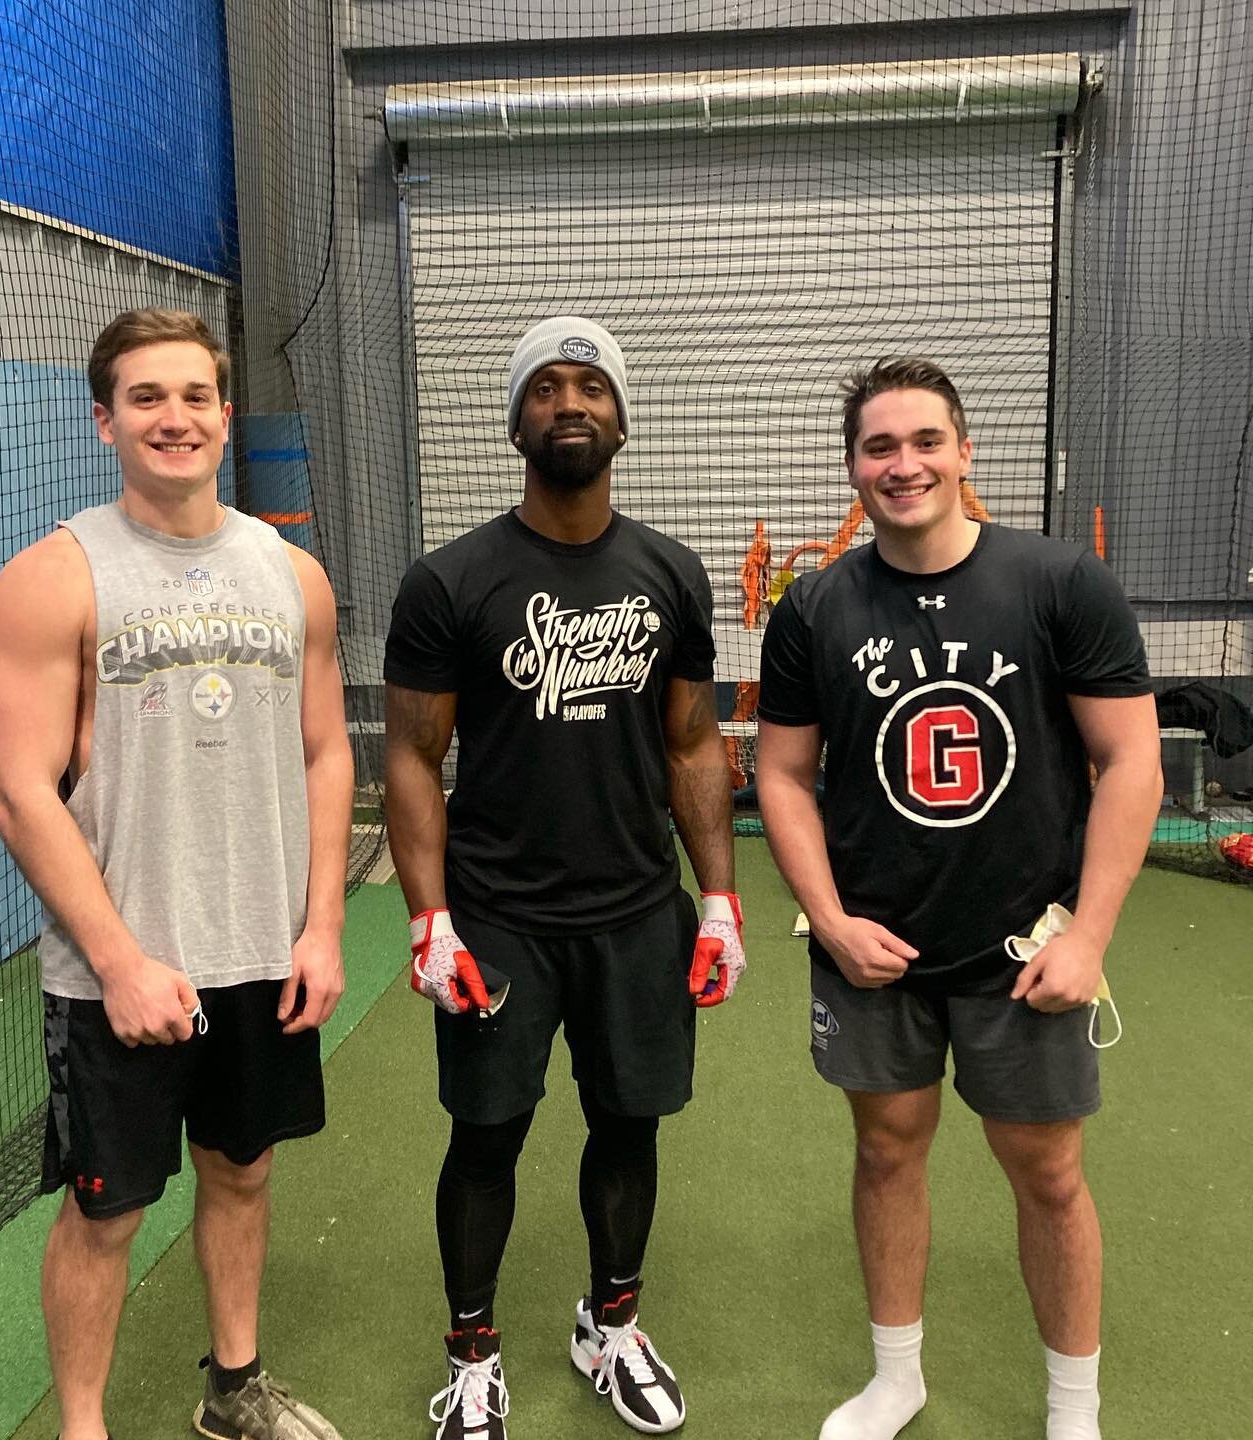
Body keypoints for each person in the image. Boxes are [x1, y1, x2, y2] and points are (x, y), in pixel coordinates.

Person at [756, 357, 1162, 1440]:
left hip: (1026, 950)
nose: (904, 465)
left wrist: (1089, 934)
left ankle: (1073, 1411)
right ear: (853, 466)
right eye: (880, 447)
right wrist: (833, 921)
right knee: (887, 1148)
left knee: (1049, 1173)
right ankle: (899, 1378)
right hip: (874, 947)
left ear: (965, 450)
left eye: (925, 441)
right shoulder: (815, 605)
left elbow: (1131, 765)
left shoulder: (1059, 583)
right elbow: (783, 776)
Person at [0, 308, 352, 1440]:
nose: (174, 418)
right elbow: (19, 792)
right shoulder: (53, 578)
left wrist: (324, 925)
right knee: (108, 1211)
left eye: (195, 396)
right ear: (104, 421)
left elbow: (329, 750)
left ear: (226, 417)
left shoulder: (293, 576)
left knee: (241, 1174)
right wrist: (121, 959)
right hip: (120, 976)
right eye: (146, 398)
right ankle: (81, 1428)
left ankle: (233, 1391)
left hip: (264, 953)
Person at [383, 316, 745, 1439]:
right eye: (546, 387)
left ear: (622, 418)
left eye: (592, 386)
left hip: (638, 911)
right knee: (487, 1136)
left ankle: (612, 1325)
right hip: (500, 919)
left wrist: (722, 897)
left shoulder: (671, 573)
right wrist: (430, 918)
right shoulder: (451, 580)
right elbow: (410, 757)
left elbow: (694, 745)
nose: (571, 402)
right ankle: (474, 1352)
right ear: (515, 421)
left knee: (628, 1124)